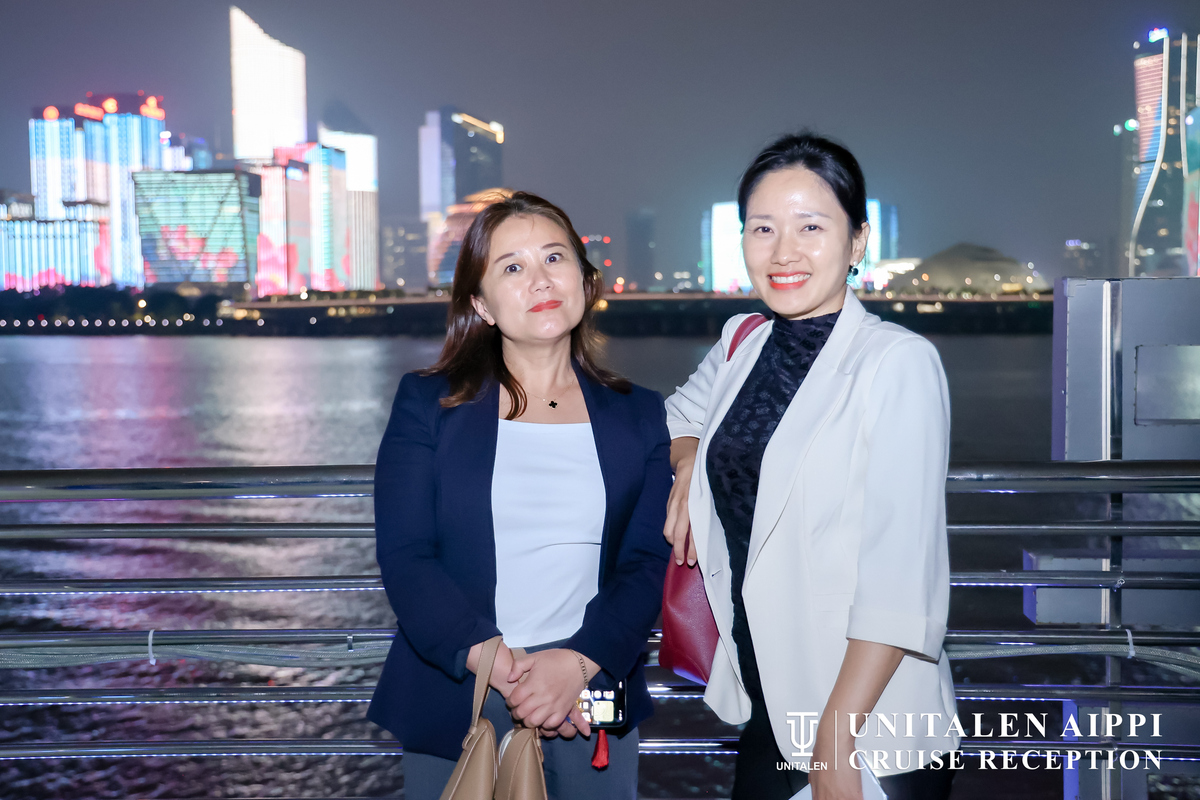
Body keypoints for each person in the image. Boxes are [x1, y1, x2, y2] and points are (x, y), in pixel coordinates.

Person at [663, 133, 959, 800]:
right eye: (763, 228)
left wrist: (837, 737)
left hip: (867, 722)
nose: (783, 251)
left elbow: (899, 577)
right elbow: (680, 413)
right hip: (767, 701)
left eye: (811, 227)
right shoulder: (744, 342)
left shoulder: (896, 362)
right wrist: (688, 466)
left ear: (857, 242)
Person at [370, 191, 672, 800]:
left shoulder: (641, 415)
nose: (540, 279)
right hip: (463, 685)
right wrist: (503, 668)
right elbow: (406, 555)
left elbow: (647, 562)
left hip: (593, 685)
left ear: (586, 281)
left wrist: (578, 664)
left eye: (555, 258)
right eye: (513, 266)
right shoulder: (427, 405)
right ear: (480, 303)